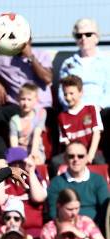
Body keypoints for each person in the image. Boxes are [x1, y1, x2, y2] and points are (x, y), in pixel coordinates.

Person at [58, 18, 110, 163]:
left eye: (88, 34)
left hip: (101, 110)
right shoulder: (68, 64)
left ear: (97, 37)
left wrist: (96, 108)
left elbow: (109, 89)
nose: (83, 38)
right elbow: (62, 93)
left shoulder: (107, 61)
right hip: (74, 110)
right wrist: (76, 107)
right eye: (79, 35)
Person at [0, 38, 53, 140]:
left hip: (41, 105)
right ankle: (3, 152)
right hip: (18, 105)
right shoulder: (3, 58)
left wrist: (31, 58)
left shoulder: (42, 55)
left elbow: (47, 78)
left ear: (30, 41)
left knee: (52, 117)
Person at [0, 148, 47, 239]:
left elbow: (39, 198)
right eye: (13, 164)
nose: (17, 167)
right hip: (6, 228)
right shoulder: (3, 181)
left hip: (32, 229)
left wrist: (31, 172)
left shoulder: (33, 179)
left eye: (21, 163)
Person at [47, 141, 109, 225]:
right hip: (66, 229)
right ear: (65, 158)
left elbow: (106, 210)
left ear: (87, 158)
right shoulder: (56, 183)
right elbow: (53, 213)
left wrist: (94, 229)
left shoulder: (98, 180)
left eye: (80, 156)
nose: (76, 159)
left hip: (95, 229)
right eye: (71, 156)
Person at [53, 75, 104, 173]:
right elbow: (67, 142)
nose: (68, 97)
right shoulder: (61, 117)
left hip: (92, 152)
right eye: (65, 94)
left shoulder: (91, 109)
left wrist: (89, 156)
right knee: (55, 162)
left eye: (71, 93)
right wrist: (76, 157)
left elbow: (96, 134)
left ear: (81, 92)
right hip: (74, 154)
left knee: (100, 163)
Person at [41, 188, 109, 239]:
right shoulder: (49, 229)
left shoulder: (85, 222)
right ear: (59, 206)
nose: (74, 213)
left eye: (77, 208)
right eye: (70, 209)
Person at [9, 82, 46, 163]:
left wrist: (33, 154)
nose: (26, 103)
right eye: (23, 99)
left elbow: (37, 134)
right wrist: (22, 158)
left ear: (36, 100)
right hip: (20, 151)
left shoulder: (41, 113)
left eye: (29, 99)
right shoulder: (14, 120)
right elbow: (14, 142)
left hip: (35, 150)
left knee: (35, 162)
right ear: (18, 99)